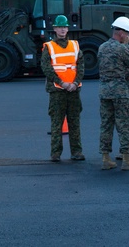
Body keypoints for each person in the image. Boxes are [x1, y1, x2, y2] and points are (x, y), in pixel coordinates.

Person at [97, 16, 129, 171]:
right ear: (122, 33)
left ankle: (105, 158)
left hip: (104, 91)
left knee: (106, 125)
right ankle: (126, 159)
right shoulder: (122, 48)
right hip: (120, 91)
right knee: (124, 124)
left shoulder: (102, 47)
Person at [41, 14, 84, 162]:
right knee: (56, 124)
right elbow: (47, 68)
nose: (62, 30)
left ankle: (77, 152)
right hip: (57, 91)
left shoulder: (75, 45)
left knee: (74, 123)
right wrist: (62, 83)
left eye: (65, 27)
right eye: (60, 27)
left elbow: (81, 66)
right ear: (54, 29)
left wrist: (74, 83)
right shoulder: (49, 47)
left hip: (73, 90)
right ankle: (55, 153)